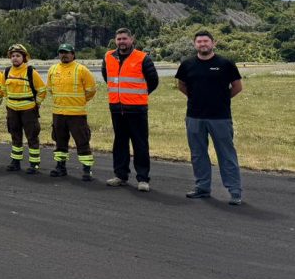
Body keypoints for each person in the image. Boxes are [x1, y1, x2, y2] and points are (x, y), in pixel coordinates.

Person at [175, 30, 244, 205]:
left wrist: (221, 99)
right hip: (194, 116)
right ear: (194, 44)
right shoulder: (187, 64)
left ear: (213, 43)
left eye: (206, 41)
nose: (203, 44)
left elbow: (237, 86)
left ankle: (235, 191)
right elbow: (181, 85)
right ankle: (202, 187)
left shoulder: (225, 63)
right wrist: (195, 98)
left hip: (220, 117)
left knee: (226, 154)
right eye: (199, 42)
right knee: (198, 154)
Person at [102, 28, 159, 191]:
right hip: (116, 108)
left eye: (124, 38)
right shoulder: (108, 57)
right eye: (119, 39)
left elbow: (153, 81)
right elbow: (107, 77)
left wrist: (139, 96)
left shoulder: (142, 58)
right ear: (115, 40)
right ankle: (120, 175)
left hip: (137, 109)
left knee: (140, 144)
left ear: (131, 39)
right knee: (119, 143)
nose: (121, 42)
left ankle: (143, 179)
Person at [46, 43, 97, 181]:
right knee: (59, 141)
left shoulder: (82, 70)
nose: (64, 55)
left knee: (82, 141)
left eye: (67, 52)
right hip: (58, 113)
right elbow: (50, 89)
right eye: (61, 52)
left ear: (73, 54)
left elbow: (91, 90)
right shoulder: (52, 69)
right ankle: (60, 167)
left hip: (76, 114)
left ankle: (87, 170)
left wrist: (79, 101)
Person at [4, 44, 46, 174]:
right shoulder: (6, 72)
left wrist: (36, 104)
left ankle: (34, 164)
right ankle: (15, 162)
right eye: (13, 56)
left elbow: (42, 90)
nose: (15, 58)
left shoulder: (30, 72)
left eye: (18, 56)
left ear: (24, 58)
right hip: (12, 110)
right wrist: (10, 101)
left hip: (28, 110)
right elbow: (3, 89)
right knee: (15, 136)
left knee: (32, 136)